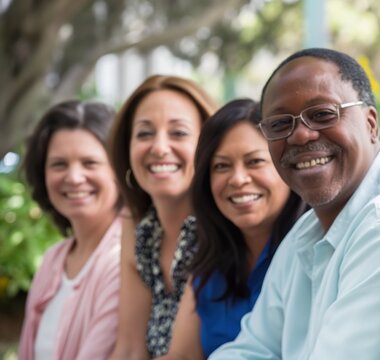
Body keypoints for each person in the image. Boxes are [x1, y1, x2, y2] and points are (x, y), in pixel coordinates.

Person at [211, 48, 380, 360]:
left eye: (322, 114)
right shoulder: (307, 231)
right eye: (280, 124)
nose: (301, 135)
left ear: (371, 124)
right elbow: (249, 349)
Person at [157, 99, 308, 359]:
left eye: (255, 161)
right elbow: (179, 355)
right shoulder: (209, 260)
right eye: (222, 166)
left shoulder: (313, 253)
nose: (238, 179)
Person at [107, 75, 217, 358]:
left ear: (209, 144)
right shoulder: (139, 227)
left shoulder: (218, 227)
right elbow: (129, 349)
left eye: (178, 133)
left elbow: (183, 356)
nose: (159, 147)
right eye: (144, 133)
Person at [19, 100, 123, 360]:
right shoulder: (53, 259)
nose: (74, 177)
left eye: (90, 163)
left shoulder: (125, 259)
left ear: (119, 170)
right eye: (59, 164)